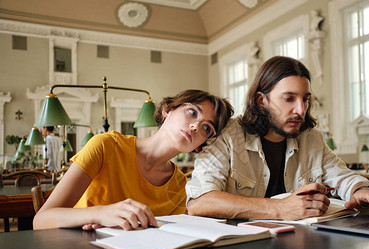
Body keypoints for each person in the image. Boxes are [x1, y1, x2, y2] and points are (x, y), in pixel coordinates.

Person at [186, 56, 369, 221]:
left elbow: (344, 177)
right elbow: (199, 203)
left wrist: (362, 189)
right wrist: (280, 208)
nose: (300, 109)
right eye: (289, 98)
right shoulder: (227, 135)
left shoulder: (312, 139)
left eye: (305, 99)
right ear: (261, 100)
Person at [33, 90, 234, 230]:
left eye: (207, 128)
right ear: (167, 110)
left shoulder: (181, 188)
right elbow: (41, 220)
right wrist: (99, 213)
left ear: (200, 145)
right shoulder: (106, 145)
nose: (195, 126)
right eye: (192, 112)